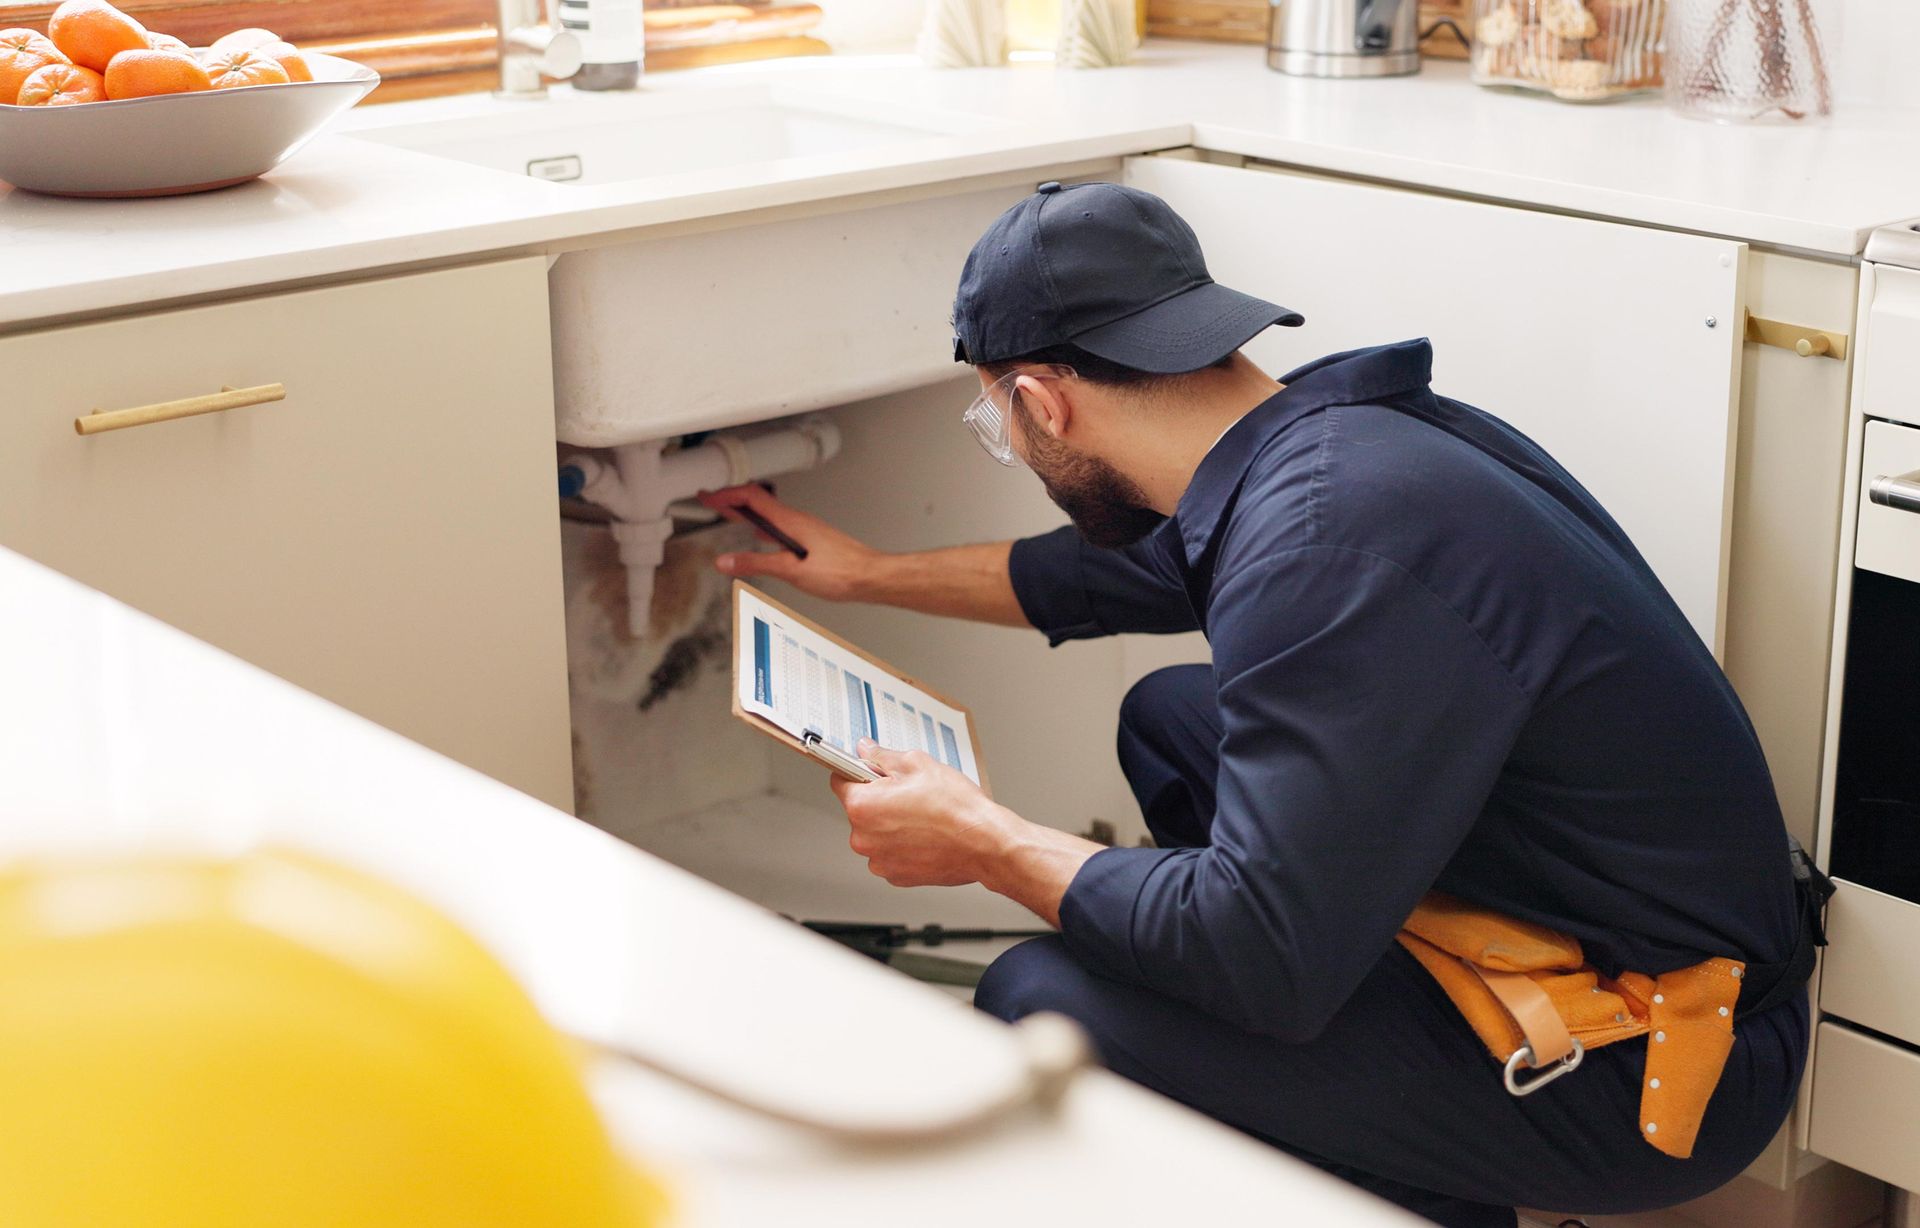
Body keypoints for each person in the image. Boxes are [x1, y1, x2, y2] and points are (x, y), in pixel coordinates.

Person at [697, 181, 1818, 1228]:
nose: (1012, 445)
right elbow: (1093, 579)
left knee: (1042, 993)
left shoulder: (1327, 542)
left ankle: (1412, 1171)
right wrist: (865, 574)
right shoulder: (1329, 444)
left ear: (1044, 400)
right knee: (1176, 720)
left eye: (1000, 423)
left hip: (1662, 1051)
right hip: (1590, 917)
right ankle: (1374, 1148)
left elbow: (1262, 956)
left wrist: (987, 842)